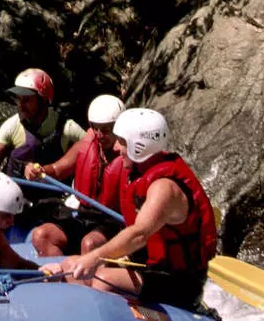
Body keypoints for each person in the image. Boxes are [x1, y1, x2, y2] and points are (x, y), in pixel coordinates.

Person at [41, 107, 217, 309]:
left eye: (122, 142)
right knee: (68, 266)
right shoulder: (140, 174)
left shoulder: (164, 188)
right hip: (151, 268)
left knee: (103, 279)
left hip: (179, 282)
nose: (116, 147)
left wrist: (95, 257)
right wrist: (83, 261)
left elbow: (139, 235)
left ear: (140, 146)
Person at [25, 93, 129, 259]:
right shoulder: (85, 146)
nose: (99, 135)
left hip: (112, 223)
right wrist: (38, 171)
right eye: (95, 128)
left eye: (106, 130)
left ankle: (88, 282)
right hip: (83, 216)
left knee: (89, 244)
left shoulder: (129, 156)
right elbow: (56, 169)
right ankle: (61, 280)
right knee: (41, 235)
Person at [0, 68, 85, 185]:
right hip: (17, 195)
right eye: (18, 99)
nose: (20, 105)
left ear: (43, 100)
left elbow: (92, 145)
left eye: (27, 100)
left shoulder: (66, 127)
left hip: (53, 198)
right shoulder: (12, 126)